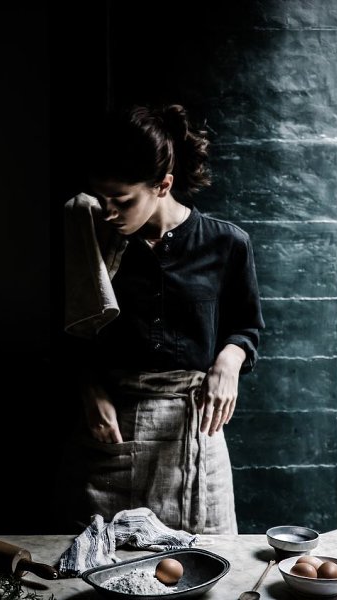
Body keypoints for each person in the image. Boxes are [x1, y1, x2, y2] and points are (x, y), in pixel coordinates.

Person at [60, 103, 264, 534]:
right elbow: (72, 330)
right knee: (100, 557)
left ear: (162, 185)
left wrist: (229, 361)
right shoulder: (93, 240)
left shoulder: (227, 243)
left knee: (207, 558)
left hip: (194, 429)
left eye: (122, 200)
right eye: (101, 198)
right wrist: (90, 392)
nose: (108, 212)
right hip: (113, 430)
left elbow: (247, 327)